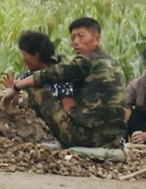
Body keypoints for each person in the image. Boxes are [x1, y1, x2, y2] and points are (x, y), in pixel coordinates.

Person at [10, 16, 127, 148]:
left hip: (86, 139)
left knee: (35, 88)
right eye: (72, 38)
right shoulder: (113, 62)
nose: (76, 42)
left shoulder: (86, 61)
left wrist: (17, 86)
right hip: (113, 140)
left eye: (81, 36)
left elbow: (55, 73)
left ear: (97, 39)